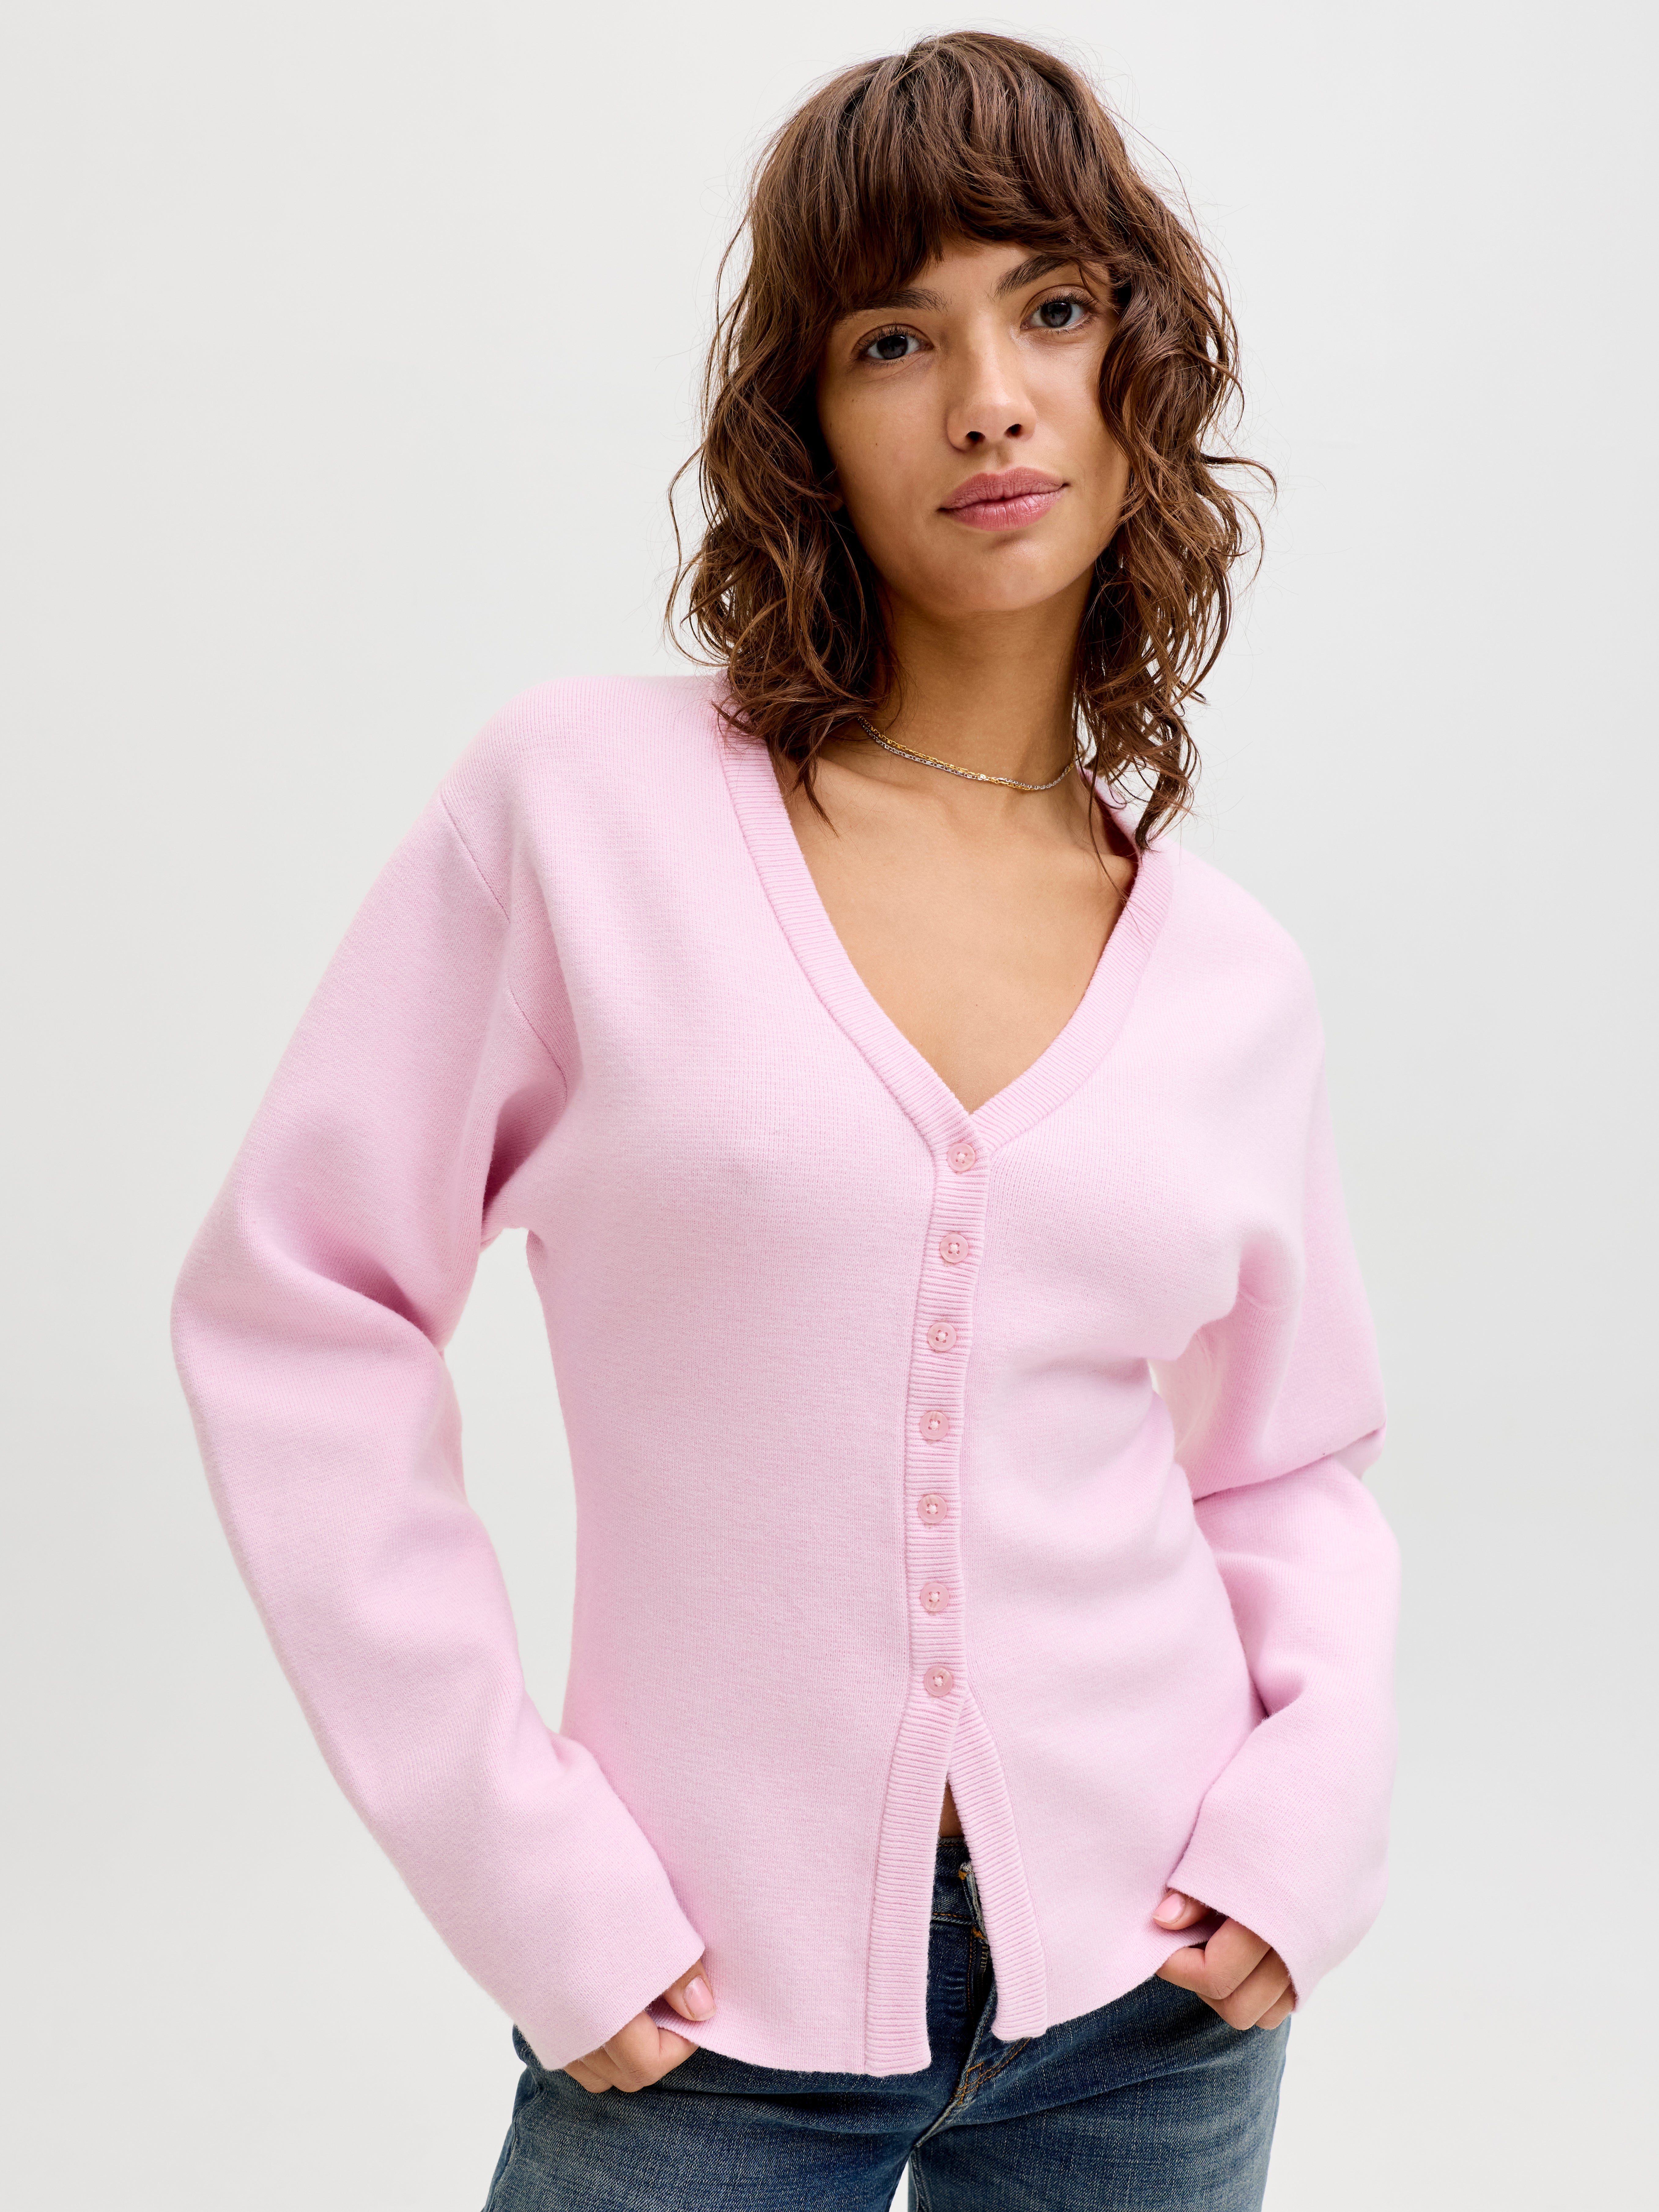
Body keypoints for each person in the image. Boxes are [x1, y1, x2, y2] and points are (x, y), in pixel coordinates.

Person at [171, 31, 1399, 2212]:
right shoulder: (581, 814)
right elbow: (301, 1317)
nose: (988, 400)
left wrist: (1305, 1825)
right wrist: (517, 1858)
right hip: (697, 2003)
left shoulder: (1231, 975)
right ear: (808, 429)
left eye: (1050, 310)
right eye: (892, 340)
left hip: (1154, 2003)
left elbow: (1279, 1459)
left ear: (1140, 371)